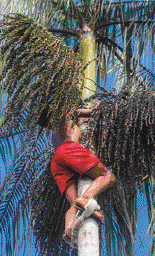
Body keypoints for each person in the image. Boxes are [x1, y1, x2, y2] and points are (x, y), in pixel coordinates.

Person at [50, 103, 117, 246]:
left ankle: (68, 230)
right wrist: (94, 108)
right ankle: (86, 198)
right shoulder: (68, 115)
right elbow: (89, 112)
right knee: (108, 176)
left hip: (56, 161)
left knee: (73, 203)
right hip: (70, 150)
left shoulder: (54, 134)